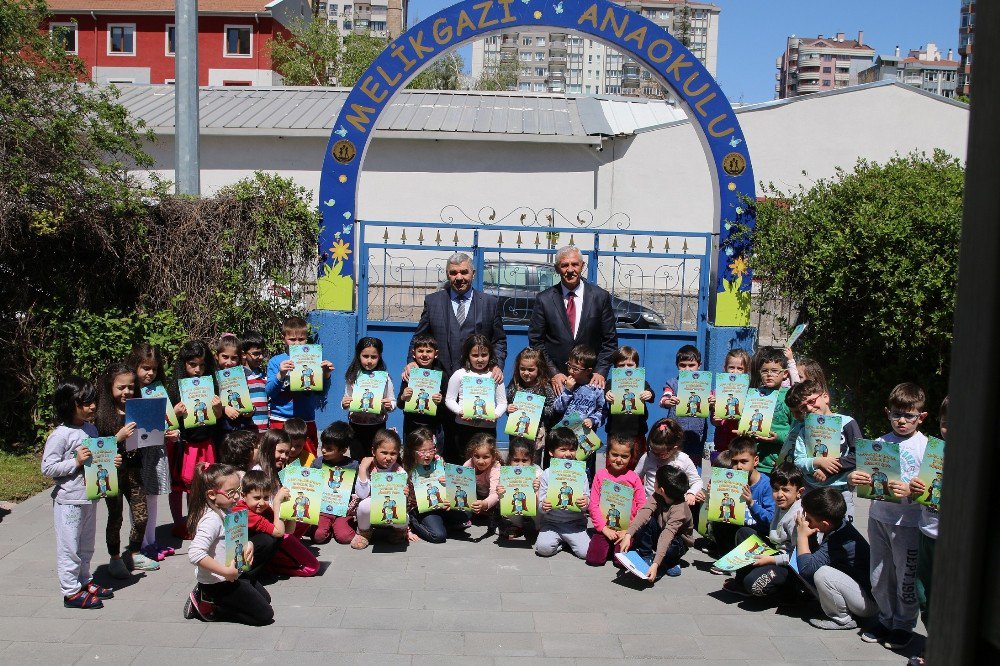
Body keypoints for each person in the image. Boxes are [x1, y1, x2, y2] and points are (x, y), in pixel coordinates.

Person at [847, 382, 928, 650]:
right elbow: (865, 477)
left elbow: (932, 491)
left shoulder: (925, 447)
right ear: (887, 413)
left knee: (906, 575)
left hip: (909, 522)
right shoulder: (880, 443)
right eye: (896, 414)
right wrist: (854, 477)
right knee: (879, 574)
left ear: (921, 417)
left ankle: (904, 624)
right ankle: (885, 618)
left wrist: (912, 490)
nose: (902, 421)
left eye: (909, 415)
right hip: (879, 516)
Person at [42, 377, 120, 609]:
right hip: (69, 500)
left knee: (86, 544)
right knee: (69, 547)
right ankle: (70, 592)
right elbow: (47, 467)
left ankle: (84, 581)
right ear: (68, 404)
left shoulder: (91, 428)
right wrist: (75, 462)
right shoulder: (61, 435)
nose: (92, 407)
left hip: (90, 496)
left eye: (92, 401)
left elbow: (97, 461)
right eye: (85, 403)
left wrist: (110, 462)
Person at [184, 463, 273, 625]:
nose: (237, 497)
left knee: (266, 599)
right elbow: (195, 553)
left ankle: (214, 597)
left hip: (234, 574)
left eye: (238, 491)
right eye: (231, 492)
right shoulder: (211, 519)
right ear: (212, 494)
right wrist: (225, 572)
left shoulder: (228, 510)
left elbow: (234, 540)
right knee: (265, 616)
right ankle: (208, 603)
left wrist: (249, 545)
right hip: (218, 582)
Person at [93, 362, 158, 578]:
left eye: (130, 387)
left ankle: (134, 552)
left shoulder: (137, 409)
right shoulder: (102, 414)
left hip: (134, 470)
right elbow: (97, 449)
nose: (127, 392)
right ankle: (114, 558)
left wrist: (160, 434)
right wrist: (117, 439)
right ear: (110, 387)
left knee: (141, 516)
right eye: (121, 387)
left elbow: (148, 437)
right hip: (111, 475)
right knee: (116, 516)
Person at [528, 246, 618, 393]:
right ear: (557, 269)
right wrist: (554, 373)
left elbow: (610, 341)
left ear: (582, 266)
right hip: (557, 382)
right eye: (564, 265)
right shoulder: (544, 299)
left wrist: (600, 371)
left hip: (590, 381)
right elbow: (536, 341)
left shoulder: (600, 297)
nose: (570, 270)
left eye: (575, 264)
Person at [796, 487, 876, 631]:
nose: (805, 522)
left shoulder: (838, 540)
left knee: (822, 574)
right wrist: (811, 535)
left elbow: (806, 570)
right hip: (860, 594)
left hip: (868, 603)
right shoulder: (838, 527)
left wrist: (802, 536)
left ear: (825, 524)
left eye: (809, 519)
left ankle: (842, 619)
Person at [168, 341, 224, 539]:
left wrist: (218, 408)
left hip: (205, 443)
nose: (197, 369)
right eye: (192, 364)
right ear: (183, 364)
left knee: (200, 485)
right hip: (185, 445)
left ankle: (196, 521)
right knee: (178, 486)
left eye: (201, 364)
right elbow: (167, 420)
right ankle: (178, 523)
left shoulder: (211, 384)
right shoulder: (175, 387)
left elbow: (217, 418)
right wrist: (175, 413)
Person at [723, 462, 804, 598]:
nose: (779, 494)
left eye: (785, 490)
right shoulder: (781, 505)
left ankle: (789, 592)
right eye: (776, 489)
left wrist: (770, 560)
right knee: (744, 533)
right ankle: (741, 580)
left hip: (789, 565)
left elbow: (797, 557)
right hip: (777, 550)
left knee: (754, 584)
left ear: (799, 492)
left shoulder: (797, 518)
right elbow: (769, 526)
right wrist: (751, 503)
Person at [908, 395, 948, 666]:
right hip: (927, 531)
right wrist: (916, 489)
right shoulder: (935, 451)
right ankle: (934, 643)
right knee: (924, 594)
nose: (950, 429)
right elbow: (918, 492)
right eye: (946, 423)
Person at [127, 342, 175, 562]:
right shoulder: (129, 391)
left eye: (154, 368)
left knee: (154, 497)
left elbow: (166, 421)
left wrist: (172, 428)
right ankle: (140, 544)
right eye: (145, 368)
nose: (150, 373)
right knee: (139, 499)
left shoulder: (158, 389)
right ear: (134, 366)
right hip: (137, 453)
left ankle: (151, 540)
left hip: (155, 451)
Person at [788, 379, 862, 520]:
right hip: (812, 490)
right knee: (813, 533)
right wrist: (817, 461)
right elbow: (798, 461)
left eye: (811, 401)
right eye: (803, 407)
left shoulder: (847, 423)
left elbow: (859, 456)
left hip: (840, 491)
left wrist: (827, 468)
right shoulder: (804, 430)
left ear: (825, 397)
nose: (809, 408)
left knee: (842, 533)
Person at [266, 316, 334, 457]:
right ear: (283, 338)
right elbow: (269, 392)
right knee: (278, 459)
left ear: (307, 338)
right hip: (280, 419)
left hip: (305, 419)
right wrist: (281, 374)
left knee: (308, 461)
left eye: (301, 339)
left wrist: (326, 375)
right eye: (292, 339)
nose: (297, 343)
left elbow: (321, 393)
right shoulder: (276, 361)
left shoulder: (314, 359)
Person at [235, 470, 318, 578]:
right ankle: (247, 575)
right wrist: (277, 502)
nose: (261, 502)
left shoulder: (263, 509)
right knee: (269, 539)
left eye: (265, 498)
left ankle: (260, 570)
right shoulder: (243, 512)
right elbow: (279, 532)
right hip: (237, 557)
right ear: (243, 495)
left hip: (248, 551)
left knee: (274, 536)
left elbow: (288, 531)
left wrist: (291, 510)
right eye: (256, 498)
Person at [619, 465, 693, 581]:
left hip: (677, 541)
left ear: (661, 489)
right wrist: (629, 534)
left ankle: (669, 561)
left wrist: (655, 565)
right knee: (646, 521)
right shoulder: (658, 496)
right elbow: (644, 512)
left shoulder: (680, 510)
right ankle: (646, 555)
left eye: (655, 481)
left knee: (671, 547)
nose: (654, 483)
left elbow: (668, 534)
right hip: (660, 531)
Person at [709, 437, 775, 565]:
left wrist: (751, 504)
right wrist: (713, 496)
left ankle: (738, 560)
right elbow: (720, 511)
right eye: (734, 462)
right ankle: (726, 557)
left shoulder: (766, 485)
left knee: (744, 531)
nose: (738, 467)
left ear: (755, 461)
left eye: (744, 462)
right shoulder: (730, 481)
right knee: (719, 521)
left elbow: (771, 520)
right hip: (738, 530)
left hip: (760, 535)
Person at [444, 334, 508, 463]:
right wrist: (459, 411)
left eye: (484, 355)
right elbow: (449, 399)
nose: (480, 359)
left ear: (490, 355)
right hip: (463, 428)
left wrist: (496, 414)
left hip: (487, 428)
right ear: (468, 355)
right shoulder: (460, 374)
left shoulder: (494, 376)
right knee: (463, 461)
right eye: (475, 355)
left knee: (485, 463)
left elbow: (502, 402)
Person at [586, 434, 646, 566]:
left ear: (631, 457)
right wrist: (603, 528)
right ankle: (605, 545)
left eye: (624, 456)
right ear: (607, 454)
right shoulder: (600, 475)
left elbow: (642, 506)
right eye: (614, 455)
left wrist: (629, 531)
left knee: (620, 563)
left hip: (626, 530)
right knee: (593, 559)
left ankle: (622, 547)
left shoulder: (634, 478)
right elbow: (593, 505)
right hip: (604, 528)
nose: (619, 460)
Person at [403, 428, 466, 543]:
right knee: (438, 536)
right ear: (412, 451)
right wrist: (406, 529)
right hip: (419, 508)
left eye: (431, 450)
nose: (427, 455)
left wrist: (449, 482)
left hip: (440, 503)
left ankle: (443, 523)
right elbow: (402, 499)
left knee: (466, 511)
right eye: (422, 451)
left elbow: (452, 483)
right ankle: (414, 521)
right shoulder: (407, 467)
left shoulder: (438, 460)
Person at [535, 428, 591, 558]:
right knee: (543, 549)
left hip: (575, 524)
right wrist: (544, 506)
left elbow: (587, 500)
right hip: (551, 524)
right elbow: (540, 504)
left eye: (572, 449)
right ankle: (563, 543)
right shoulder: (546, 474)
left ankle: (569, 541)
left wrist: (585, 503)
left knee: (586, 553)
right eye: (563, 449)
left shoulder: (580, 473)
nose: (568, 454)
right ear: (551, 452)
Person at [352, 429, 408, 550]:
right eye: (384, 452)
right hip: (372, 509)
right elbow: (362, 494)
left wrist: (405, 494)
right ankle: (364, 532)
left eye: (393, 453)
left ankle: (399, 531)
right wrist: (362, 469)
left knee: (404, 514)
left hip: (390, 511)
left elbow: (403, 499)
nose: (388, 458)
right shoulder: (368, 468)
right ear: (373, 451)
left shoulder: (399, 472)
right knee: (364, 505)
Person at [342, 337, 396, 460]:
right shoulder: (352, 377)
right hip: (355, 426)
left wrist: (390, 405)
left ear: (380, 356)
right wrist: (344, 404)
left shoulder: (385, 378)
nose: (369, 361)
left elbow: (392, 400)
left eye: (374, 357)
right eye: (365, 356)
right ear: (358, 355)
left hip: (377, 426)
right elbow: (347, 397)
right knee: (357, 458)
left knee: (376, 459)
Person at [659, 345, 711, 471]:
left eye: (691, 365)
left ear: (699, 365)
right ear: (677, 365)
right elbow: (664, 398)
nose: (687, 369)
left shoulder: (704, 384)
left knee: (693, 466)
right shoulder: (672, 383)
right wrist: (667, 401)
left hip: (696, 434)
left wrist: (712, 401)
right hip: (676, 433)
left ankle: (694, 490)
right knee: (674, 465)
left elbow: (710, 403)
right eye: (683, 365)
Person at [604, 346, 655, 469]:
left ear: (636, 366)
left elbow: (652, 395)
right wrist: (607, 394)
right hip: (615, 432)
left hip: (637, 432)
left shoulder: (642, 383)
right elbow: (605, 392)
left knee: (637, 465)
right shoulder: (611, 382)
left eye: (630, 364)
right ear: (615, 367)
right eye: (621, 365)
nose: (626, 368)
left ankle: (635, 486)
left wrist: (649, 394)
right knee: (614, 465)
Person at [747, 347, 795, 475]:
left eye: (774, 371)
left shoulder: (790, 398)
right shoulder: (754, 395)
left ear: (785, 374)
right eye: (764, 371)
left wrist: (777, 437)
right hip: (755, 463)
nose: (769, 374)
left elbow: (797, 430)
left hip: (780, 464)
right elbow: (746, 421)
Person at [505, 347, 557, 463]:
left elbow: (552, 408)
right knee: (515, 457)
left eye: (531, 369)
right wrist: (508, 409)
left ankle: (534, 480)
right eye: (522, 369)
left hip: (537, 432)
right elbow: (507, 403)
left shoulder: (545, 387)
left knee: (534, 459)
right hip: (516, 432)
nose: (526, 373)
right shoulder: (515, 385)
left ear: (539, 369)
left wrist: (539, 410)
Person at [312, 421, 360, 546]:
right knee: (318, 536)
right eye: (323, 446)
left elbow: (357, 490)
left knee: (345, 537)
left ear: (343, 450)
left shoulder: (353, 466)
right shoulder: (317, 464)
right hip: (322, 510)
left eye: (329, 449)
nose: (323, 450)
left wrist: (353, 506)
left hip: (343, 510)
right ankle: (328, 528)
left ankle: (343, 525)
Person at [633, 418, 703, 504]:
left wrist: (692, 493)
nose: (657, 455)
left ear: (674, 448)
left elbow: (696, 481)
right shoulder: (648, 457)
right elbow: (635, 478)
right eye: (654, 451)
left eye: (661, 453)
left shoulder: (683, 459)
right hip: (650, 505)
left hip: (675, 506)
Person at [397, 333, 446, 440]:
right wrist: (403, 397)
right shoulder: (409, 373)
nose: (424, 354)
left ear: (436, 354)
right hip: (411, 424)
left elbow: (448, 401)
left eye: (429, 351)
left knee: (433, 454)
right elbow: (399, 404)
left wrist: (441, 400)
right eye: (420, 351)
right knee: (411, 454)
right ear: (413, 353)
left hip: (434, 425)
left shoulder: (441, 374)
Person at [496, 441, 542, 542]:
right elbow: (500, 490)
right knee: (506, 501)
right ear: (509, 459)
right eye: (516, 460)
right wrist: (500, 491)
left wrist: (537, 487)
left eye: (524, 460)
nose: (520, 465)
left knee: (540, 504)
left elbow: (542, 493)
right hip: (516, 501)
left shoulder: (537, 470)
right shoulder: (507, 472)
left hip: (534, 502)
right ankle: (517, 525)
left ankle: (539, 526)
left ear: (531, 460)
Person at [710, 348, 751, 460]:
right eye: (731, 367)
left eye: (740, 368)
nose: (735, 371)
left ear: (746, 371)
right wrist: (715, 420)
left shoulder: (751, 393)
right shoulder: (716, 392)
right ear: (725, 369)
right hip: (722, 443)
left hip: (743, 445)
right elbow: (713, 421)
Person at [215, 334, 255, 433]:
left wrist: (251, 411)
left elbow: (247, 401)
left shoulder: (242, 376)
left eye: (234, 358)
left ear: (239, 358)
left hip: (241, 428)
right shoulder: (211, 377)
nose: (229, 362)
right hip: (221, 430)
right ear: (217, 356)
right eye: (225, 357)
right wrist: (224, 409)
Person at [464, 432, 501, 521]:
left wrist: (484, 503)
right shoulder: (469, 464)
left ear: (493, 457)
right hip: (477, 495)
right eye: (476, 456)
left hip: (493, 498)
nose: (480, 461)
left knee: (501, 495)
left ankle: (492, 514)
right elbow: (462, 485)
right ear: (472, 455)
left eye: (485, 457)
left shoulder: (495, 468)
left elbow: (495, 494)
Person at [239, 331, 270, 433]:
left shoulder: (265, 377)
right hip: (247, 430)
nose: (260, 357)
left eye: (262, 353)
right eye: (256, 354)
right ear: (244, 354)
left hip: (265, 429)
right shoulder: (240, 378)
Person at [255, 429, 293, 496]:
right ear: (268, 449)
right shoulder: (257, 474)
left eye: (287, 453)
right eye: (280, 451)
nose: (284, 456)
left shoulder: (280, 474)